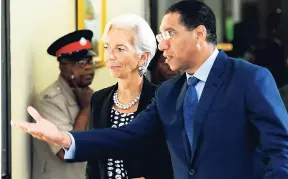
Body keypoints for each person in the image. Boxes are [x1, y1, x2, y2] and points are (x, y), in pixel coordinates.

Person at [12, 1, 288, 179]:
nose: (162, 44)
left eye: (169, 33)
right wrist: (65, 138)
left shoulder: (250, 79)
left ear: (199, 34)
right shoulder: (169, 92)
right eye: (159, 36)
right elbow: (127, 136)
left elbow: (280, 151)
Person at [84, 14, 172, 179]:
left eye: (120, 49)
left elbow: (175, 162)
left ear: (142, 57)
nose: (110, 56)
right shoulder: (99, 99)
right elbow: (93, 164)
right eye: (107, 47)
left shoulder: (162, 101)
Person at [31, 30, 96, 179]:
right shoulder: (49, 101)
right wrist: (86, 109)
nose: (87, 67)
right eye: (80, 63)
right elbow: (66, 152)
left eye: (89, 61)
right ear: (64, 66)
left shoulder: (88, 94)